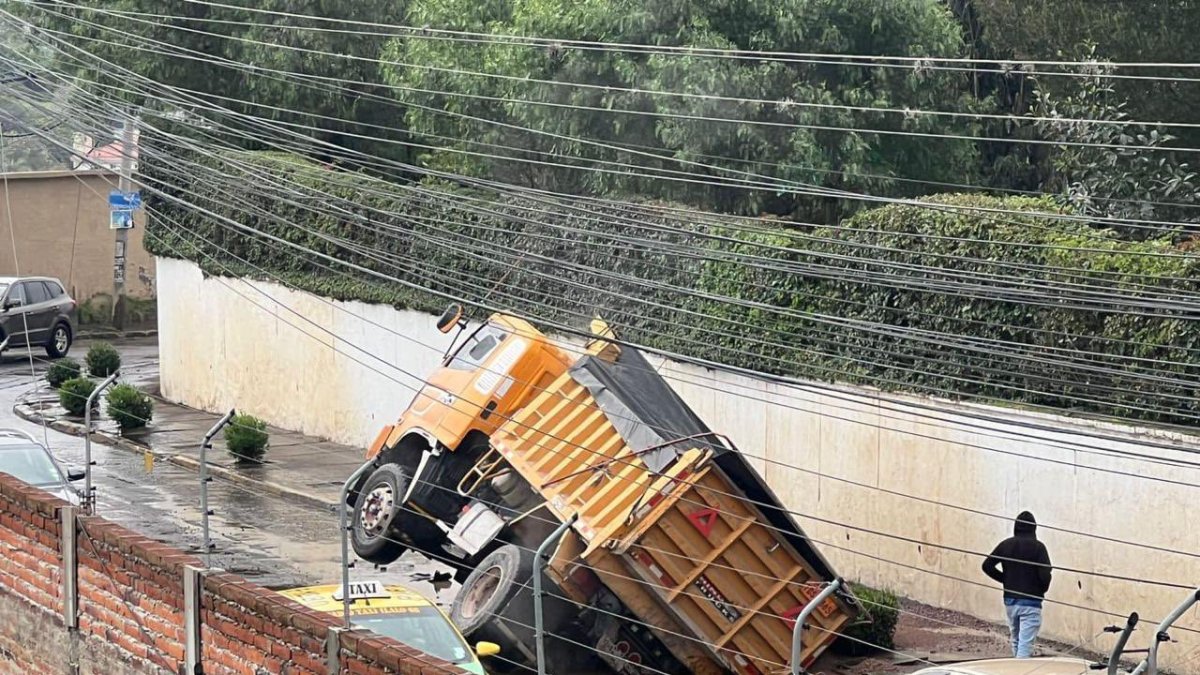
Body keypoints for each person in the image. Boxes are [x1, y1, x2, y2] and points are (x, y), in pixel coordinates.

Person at [982, 511, 1052, 659]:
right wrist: (1041, 589)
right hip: (1031, 602)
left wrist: (1006, 580)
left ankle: (1016, 668)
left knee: (1016, 640)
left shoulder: (1006, 545)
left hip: (1010, 602)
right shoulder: (1039, 548)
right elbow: (1045, 575)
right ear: (1034, 528)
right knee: (1025, 646)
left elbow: (987, 566)